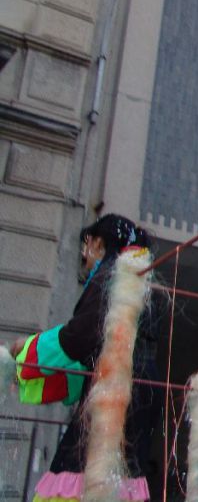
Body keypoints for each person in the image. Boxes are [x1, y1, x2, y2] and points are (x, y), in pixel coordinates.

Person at [8, 215, 162, 502]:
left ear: (97, 244)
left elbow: (78, 338)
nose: (84, 255)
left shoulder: (110, 276)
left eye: (86, 245)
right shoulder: (137, 280)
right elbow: (86, 356)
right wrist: (27, 370)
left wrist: (27, 351)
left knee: (78, 471)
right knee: (116, 475)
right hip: (133, 386)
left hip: (118, 387)